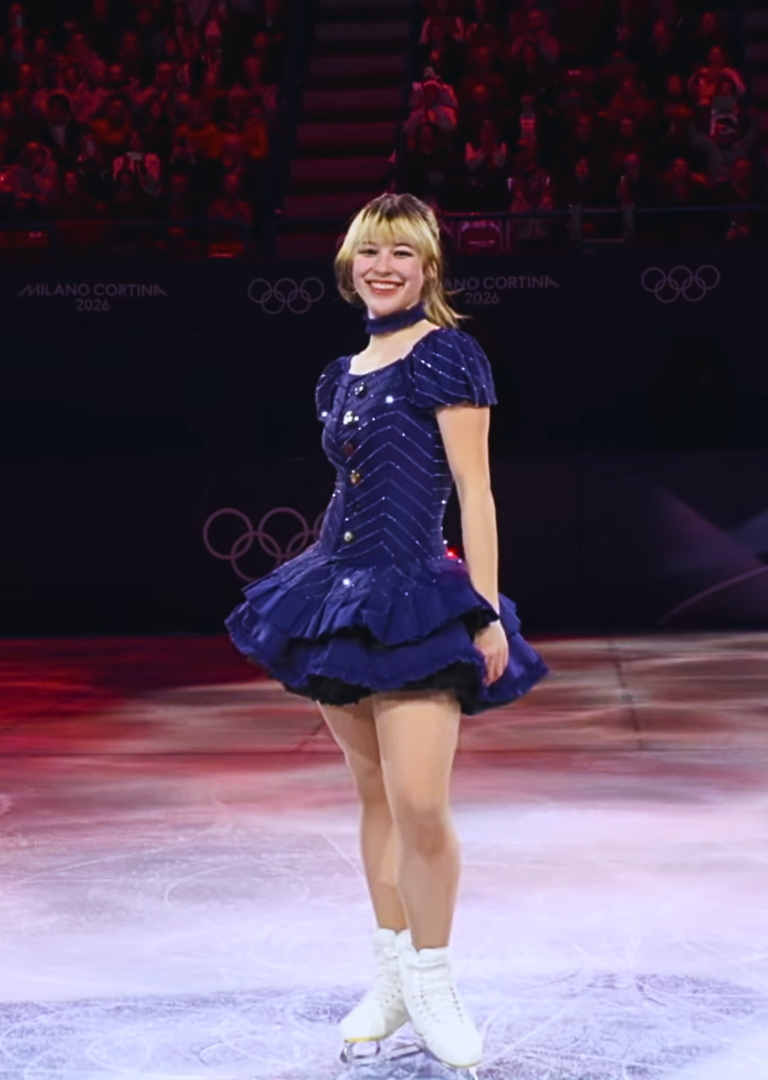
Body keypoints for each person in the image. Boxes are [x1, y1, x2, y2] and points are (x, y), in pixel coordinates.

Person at [224, 192, 548, 1075]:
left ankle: (435, 979)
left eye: (403, 254)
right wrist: (320, 576)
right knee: (373, 798)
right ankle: (394, 974)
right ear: (348, 263)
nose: (385, 266)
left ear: (429, 268)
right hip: (339, 591)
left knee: (420, 803)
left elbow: (474, 491)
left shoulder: (448, 356)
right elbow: (351, 490)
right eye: (372, 251)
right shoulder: (342, 372)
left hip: (418, 597)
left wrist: (481, 605)